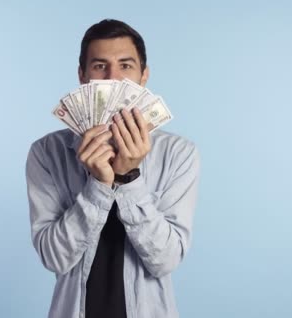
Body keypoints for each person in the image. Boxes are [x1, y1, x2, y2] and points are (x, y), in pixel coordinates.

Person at [26, 19, 200, 318]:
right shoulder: (47, 153)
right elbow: (54, 257)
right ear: (82, 76)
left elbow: (166, 260)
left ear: (144, 76)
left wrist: (128, 178)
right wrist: (98, 184)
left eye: (126, 66)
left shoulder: (178, 154)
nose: (114, 79)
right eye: (100, 66)